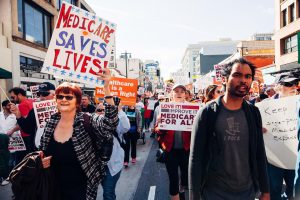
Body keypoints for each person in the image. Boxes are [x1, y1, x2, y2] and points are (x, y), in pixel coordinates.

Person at [189, 58, 270, 200]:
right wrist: (194, 196)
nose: (243, 80)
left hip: (247, 193)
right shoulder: (207, 113)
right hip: (214, 193)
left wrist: (265, 190)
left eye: (248, 76)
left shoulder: (253, 113)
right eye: (237, 75)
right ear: (225, 79)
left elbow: (259, 152)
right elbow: (196, 158)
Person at [40, 68, 119, 200]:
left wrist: (106, 88)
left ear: (77, 101)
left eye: (69, 97)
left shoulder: (87, 120)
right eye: (60, 96)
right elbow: (42, 150)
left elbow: (110, 123)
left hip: (82, 189)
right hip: (53, 187)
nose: (63, 99)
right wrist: (41, 161)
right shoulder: (51, 122)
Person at [266, 72, 299, 200]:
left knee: (294, 190)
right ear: (278, 87)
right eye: (289, 84)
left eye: (295, 83)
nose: (293, 87)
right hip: (274, 158)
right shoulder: (264, 106)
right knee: (274, 189)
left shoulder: (299, 104)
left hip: (294, 157)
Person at [155, 84, 191, 200]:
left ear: (185, 94)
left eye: (182, 91)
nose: (179, 93)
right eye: (176, 91)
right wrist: (160, 124)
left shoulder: (193, 109)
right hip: (170, 151)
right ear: (172, 94)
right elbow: (157, 131)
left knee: (185, 179)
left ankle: (182, 189)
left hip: (187, 151)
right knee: (173, 178)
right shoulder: (165, 108)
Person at [10, 82, 56, 149]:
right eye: (39, 94)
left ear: (54, 94)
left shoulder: (63, 109)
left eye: (45, 94)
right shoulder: (35, 110)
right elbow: (27, 129)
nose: (41, 97)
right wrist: (18, 115)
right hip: (39, 149)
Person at [100, 99, 130, 200]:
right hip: (96, 165)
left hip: (112, 165)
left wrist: (119, 111)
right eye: (100, 110)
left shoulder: (116, 123)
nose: (102, 112)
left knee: (108, 193)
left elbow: (126, 127)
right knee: (108, 192)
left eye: (104, 110)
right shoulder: (93, 123)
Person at [9, 87, 34, 163]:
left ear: (19, 95)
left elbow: (25, 124)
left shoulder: (22, 105)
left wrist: (12, 130)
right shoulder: (31, 101)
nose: (12, 99)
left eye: (13, 97)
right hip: (32, 135)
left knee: (21, 161)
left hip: (26, 137)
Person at [0, 100, 19, 186]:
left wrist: (12, 130)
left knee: (10, 160)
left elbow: (20, 126)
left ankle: (9, 177)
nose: (10, 107)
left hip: (12, 140)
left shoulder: (15, 115)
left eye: (11, 105)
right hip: (1, 140)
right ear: (3, 107)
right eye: (8, 105)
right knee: (2, 160)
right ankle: (3, 176)